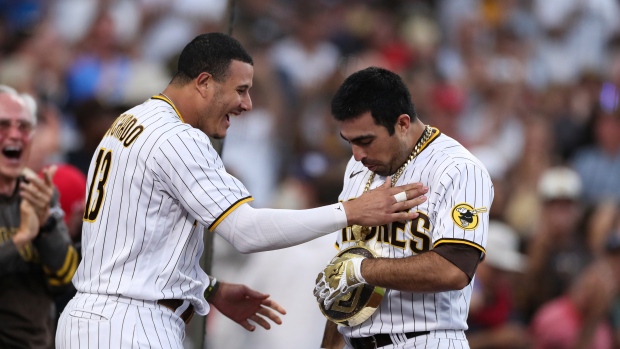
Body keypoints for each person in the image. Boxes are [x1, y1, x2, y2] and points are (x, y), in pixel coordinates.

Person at [55, 33, 428, 349]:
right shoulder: (177, 137)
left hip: (97, 317)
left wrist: (208, 288)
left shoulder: (132, 120)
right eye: (241, 90)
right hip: (129, 325)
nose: (247, 104)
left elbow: (135, 242)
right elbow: (246, 232)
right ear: (203, 83)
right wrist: (350, 211)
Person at [314, 67, 494, 349]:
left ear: (402, 123)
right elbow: (344, 275)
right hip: (354, 340)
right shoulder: (357, 168)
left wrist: (363, 270)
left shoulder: (458, 169)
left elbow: (454, 269)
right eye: (349, 142)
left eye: (365, 140)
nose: (357, 155)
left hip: (424, 339)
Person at [0, 85, 76, 348]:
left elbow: (65, 279)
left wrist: (47, 225)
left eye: (23, 127)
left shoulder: (39, 192)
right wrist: (21, 238)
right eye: (3, 125)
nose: (14, 135)